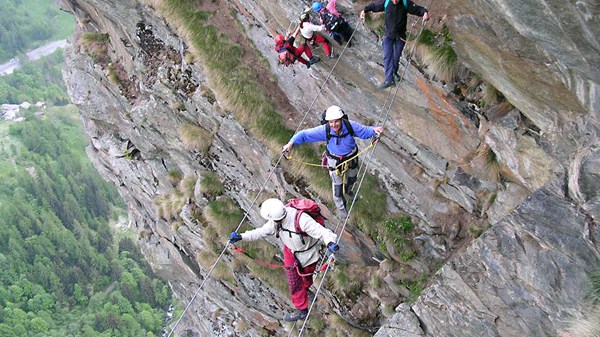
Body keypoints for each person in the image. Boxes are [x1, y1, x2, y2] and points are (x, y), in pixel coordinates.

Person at [229, 198, 339, 322]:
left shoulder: (301, 220)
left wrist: (330, 243)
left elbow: (322, 232)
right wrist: (241, 236)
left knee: (306, 279)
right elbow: (261, 232)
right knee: (294, 282)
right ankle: (302, 309)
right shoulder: (276, 222)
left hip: (308, 254)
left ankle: (305, 289)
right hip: (290, 252)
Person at [282, 105, 383, 218]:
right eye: (331, 122)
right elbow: (304, 135)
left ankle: (349, 192)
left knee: (352, 179)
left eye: (336, 121)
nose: (334, 124)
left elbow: (364, 131)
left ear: (341, 119)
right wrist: (290, 144)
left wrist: (375, 131)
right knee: (337, 189)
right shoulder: (325, 130)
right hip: (335, 162)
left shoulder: (350, 125)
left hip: (351, 158)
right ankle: (342, 209)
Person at [360, 0, 430, 89]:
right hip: (388, 36)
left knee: (396, 57)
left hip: (400, 37)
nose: (395, 1)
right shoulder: (386, 2)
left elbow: (417, 9)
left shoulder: (405, 3)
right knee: (387, 56)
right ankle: (389, 79)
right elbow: (374, 6)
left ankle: (394, 73)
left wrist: (425, 12)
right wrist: (364, 11)